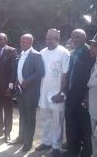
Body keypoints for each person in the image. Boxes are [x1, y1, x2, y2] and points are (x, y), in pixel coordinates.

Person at [36, 29, 70, 157]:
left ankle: (56, 146)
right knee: (45, 119)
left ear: (57, 39)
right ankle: (46, 141)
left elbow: (66, 74)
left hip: (57, 94)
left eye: (51, 38)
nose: (48, 40)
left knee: (57, 121)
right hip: (43, 91)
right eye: (47, 37)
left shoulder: (64, 52)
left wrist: (61, 93)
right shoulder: (42, 52)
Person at [62, 29, 95, 157]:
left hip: (83, 96)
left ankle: (86, 153)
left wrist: (87, 97)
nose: (75, 39)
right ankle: (72, 151)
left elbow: (91, 77)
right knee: (71, 124)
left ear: (85, 38)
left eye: (78, 37)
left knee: (85, 127)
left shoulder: (90, 53)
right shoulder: (72, 53)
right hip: (70, 95)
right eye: (73, 37)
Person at [10, 34, 45, 152]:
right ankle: (21, 137)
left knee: (30, 117)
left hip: (31, 92)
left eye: (25, 42)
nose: (22, 43)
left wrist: (27, 81)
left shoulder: (36, 55)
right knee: (22, 116)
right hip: (20, 91)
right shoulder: (21, 54)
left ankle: (28, 142)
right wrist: (17, 82)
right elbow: (19, 70)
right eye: (21, 41)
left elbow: (40, 72)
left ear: (31, 42)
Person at [0, 33, 17, 143]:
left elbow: (14, 71)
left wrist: (10, 87)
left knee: (8, 111)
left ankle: (7, 133)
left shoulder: (11, 51)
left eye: (1, 39)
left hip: (6, 88)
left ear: (6, 40)